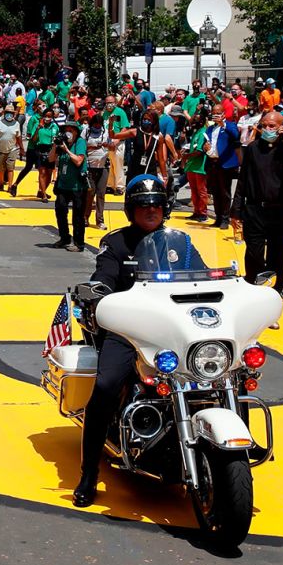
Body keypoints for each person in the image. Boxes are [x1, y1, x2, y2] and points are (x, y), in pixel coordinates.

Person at [72, 175, 170, 508]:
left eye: (157, 204)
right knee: (106, 386)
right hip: (128, 330)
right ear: (131, 209)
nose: (152, 210)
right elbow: (102, 278)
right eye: (144, 205)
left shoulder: (177, 242)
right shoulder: (117, 244)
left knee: (226, 371)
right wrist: (98, 292)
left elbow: (198, 271)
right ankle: (88, 474)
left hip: (172, 330)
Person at [231, 111, 283, 292]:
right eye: (264, 125)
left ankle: (273, 295)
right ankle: (254, 288)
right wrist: (236, 210)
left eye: (272, 126)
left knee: (278, 257)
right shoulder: (253, 148)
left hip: (281, 212)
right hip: (255, 210)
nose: (267, 129)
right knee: (254, 254)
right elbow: (243, 180)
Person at [50, 121, 89, 251]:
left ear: (76, 132)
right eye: (66, 130)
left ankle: (79, 243)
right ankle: (64, 237)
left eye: (71, 130)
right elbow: (50, 159)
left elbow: (79, 161)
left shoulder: (80, 142)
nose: (68, 133)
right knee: (60, 210)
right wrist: (56, 146)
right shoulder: (62, 143)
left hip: (77, 185)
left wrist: (66, 150)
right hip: (63, 184)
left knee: (78, 215)